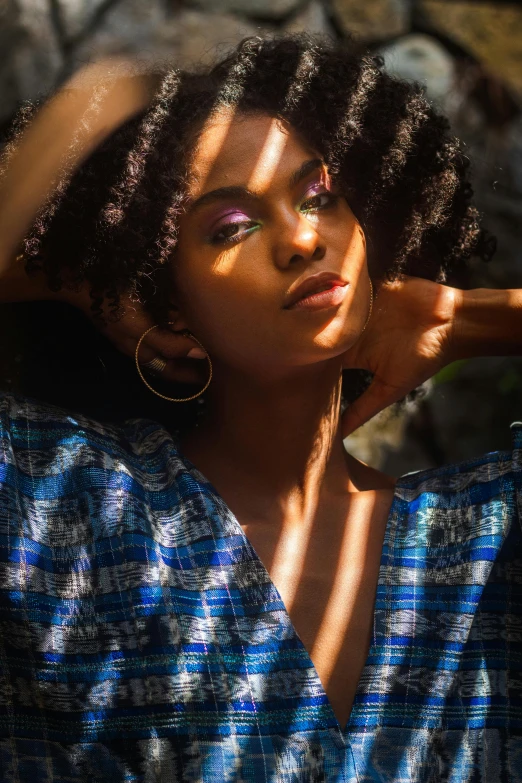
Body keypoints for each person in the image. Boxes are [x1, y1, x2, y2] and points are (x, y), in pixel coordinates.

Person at [0, 34, 520, 783]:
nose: (305, 238)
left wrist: (469, 319)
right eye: (232, 226)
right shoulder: (74, 505)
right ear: (166, 303)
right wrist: (102, 105)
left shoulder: (485, 536)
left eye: (319, 196)